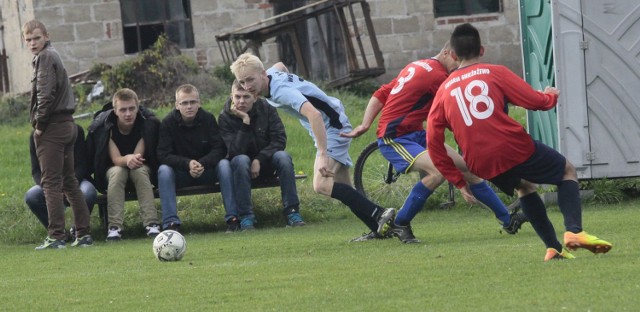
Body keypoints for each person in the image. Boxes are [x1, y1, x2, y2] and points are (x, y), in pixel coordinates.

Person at [427, 23, 612, 261]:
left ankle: (553, 248)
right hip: (511, 145)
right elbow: (533, 101)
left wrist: (457, 179)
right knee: (567, 171)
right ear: (482, 50)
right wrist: (550, 96)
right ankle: (574, 232)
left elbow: (433, 140)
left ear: (453, 55)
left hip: (478, 160)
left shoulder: (443, 91)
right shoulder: (495, 72)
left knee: (524, 186)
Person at [342, 42, 527, 243]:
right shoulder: (439, 77)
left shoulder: (416, 65)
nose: (459, 65)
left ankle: (508, 220)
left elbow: (382, 93)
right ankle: (400, 223)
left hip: (417, 134)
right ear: (446, 52)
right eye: (458, 60)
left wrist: (365, 123)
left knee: (468, 170)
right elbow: (456, 111)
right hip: (395, 137)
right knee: (438, 172)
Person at [230, 53, 396, 241]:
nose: (247, 86)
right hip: (329, 126)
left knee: (321, 185)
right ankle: (380, 229)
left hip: (333, 128)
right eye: (242, 82)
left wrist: (323, 153)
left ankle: (380, 213)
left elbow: (314, 115)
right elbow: (281, 65)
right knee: (343, 187)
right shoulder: (270, 75)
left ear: (261, 74)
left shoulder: (281, 91)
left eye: (250, 80)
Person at [23, 20, 93, 249]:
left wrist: (40, 125)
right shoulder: (53, 54)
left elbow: (45, 93)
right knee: (69, 182)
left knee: (51, 184)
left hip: (53, 126)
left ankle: (56, 236)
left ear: (46, 36)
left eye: (36, 38)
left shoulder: (45, 57)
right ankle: (83, 234)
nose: (33, 43)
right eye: (28, 39)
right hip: (67, 124)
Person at [218, 80, 305, 232]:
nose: (241, 101)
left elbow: (279, 139)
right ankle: (246, 217)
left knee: (283, 157)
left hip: (266, 161)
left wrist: (259, 159)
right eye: (237, 97)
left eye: (246, 97)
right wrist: (245, 122)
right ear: (231, 96)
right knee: (240, 159)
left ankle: (292, 213)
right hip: (240, 166)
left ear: (255, 97)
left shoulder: (267, 108)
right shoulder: (225, 117)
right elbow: (233, 151)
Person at [157, 84, 235, 232]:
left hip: (206, 170)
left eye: (193, 102)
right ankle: (171, 224)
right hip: (181, 173)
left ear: (199, 103)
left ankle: (233, 219)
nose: (189, 106)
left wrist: (202, 163)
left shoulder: (208, 119)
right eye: (184, 103)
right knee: (164, 170)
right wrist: (187, 164)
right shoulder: (167, 123)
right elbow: (163, 154)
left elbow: (219, 148)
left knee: (224, 165)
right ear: (177, 105)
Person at [86, 88, 161, 240]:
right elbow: (116, 159)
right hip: (112, 172)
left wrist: (131, 159)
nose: (128, 114)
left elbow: (138, 157)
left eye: (132, 109)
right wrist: (127, 159)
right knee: (118, 171)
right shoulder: (106, 127)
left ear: (137, 108)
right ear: (115, 110)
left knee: (138, 171)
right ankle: (114, 227)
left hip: (140, 168)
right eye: (123, 110)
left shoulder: (147, 124)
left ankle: (152, 224)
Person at [25, 124, 97, 240]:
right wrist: (47, 187)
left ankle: (78, 229)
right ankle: (59, 231)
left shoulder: (76, 130)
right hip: (49, 182)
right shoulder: (35, 136)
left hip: (75, 179)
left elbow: (82, 165)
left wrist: (67, 186)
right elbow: (36, 171)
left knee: (89, 192)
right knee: (32, 196)